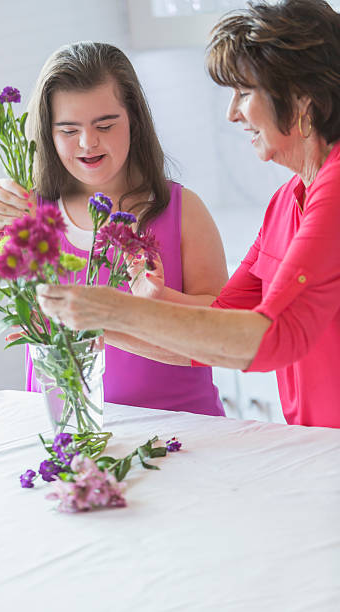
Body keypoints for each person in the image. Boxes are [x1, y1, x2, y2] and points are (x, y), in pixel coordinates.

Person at [35, 0, 340, 429]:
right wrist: (91, 327)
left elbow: (274, 336)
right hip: (320, 450)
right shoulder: (287, 200)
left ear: (302, 100)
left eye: (244, 93)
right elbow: (217, 327)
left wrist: (110, 310)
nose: (232, 112)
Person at [0, 42, 228, 416]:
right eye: (68, 130)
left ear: (135, 121)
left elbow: (225, 327)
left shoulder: (181, 210)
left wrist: (124, 314)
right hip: (66, 435)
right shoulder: (33, 209)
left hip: (185, 430)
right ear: (47, 132)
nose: (88, 142)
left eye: (105, 125)